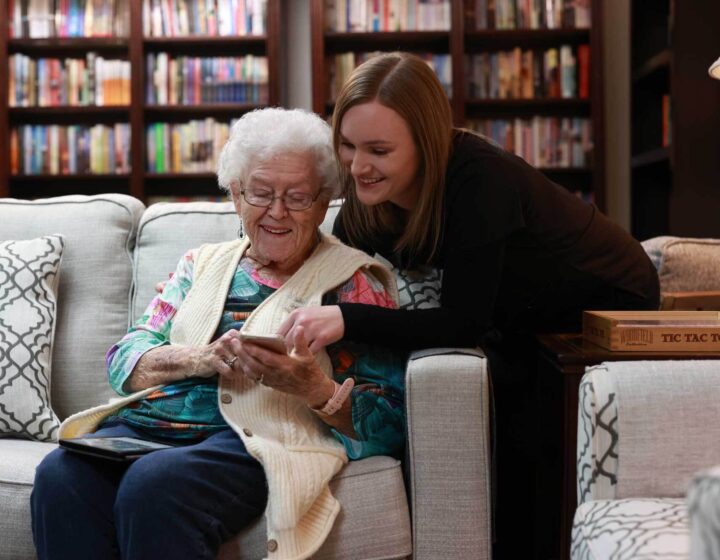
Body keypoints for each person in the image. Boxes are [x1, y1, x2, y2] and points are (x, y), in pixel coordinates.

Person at [275, 52, 660, 558]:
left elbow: (462, 321)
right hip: (517, 312)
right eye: (347, 145)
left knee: (521, 422)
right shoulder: (369, 195)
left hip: (604, 301)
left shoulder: (480, 180)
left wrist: (347, 319)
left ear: (425, 142)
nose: (358, 165)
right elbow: (339, 269)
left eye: (379, 150)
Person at [30, 108, 406, 560]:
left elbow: (390, 423)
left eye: (298, 197)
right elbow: (124, 359)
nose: (277, 212)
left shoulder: (352, 282)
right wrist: (198, 358)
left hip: (254, 441)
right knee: (60, 475)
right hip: (147, 430)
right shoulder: (199, 264)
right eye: (261, 193)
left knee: (154, 487)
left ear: (324, 201)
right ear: (236, 195)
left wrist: (313, 387)